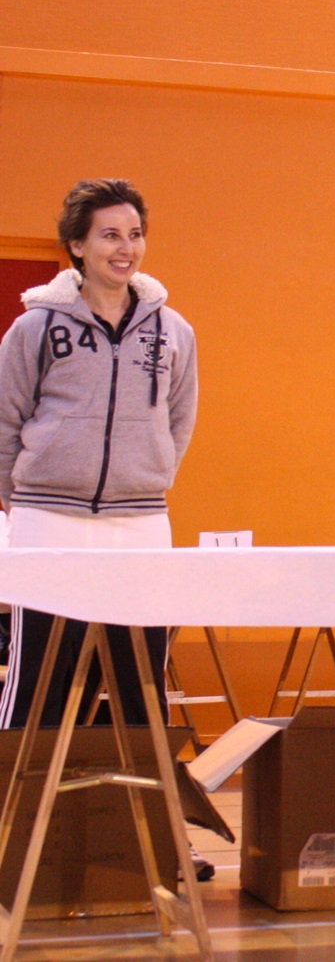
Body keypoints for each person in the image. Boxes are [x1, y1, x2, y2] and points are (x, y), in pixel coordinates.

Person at [0, 179, 199, 730]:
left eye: (134, 234)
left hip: (140, 520)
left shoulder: (173, 330)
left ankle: (146, 784)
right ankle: (17, 785)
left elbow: (179, 419)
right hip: (47, 517)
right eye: (110, 235)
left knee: (141, 677)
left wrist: (148, 474)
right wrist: (23, 501)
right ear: (77, 245)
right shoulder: (35, 327)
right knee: (39, 675)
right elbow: (4, 420)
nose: (125, 248)